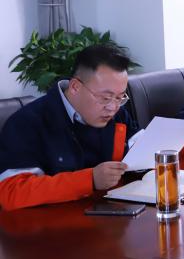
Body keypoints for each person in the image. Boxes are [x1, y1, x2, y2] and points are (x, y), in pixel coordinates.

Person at [0, 45, 136, 211]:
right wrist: (90, 179)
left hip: (109, 215)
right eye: (105, 98)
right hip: (52, 222)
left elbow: (142, 147)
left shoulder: (118, 115)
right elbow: (12, 192)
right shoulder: (27, 123)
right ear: (75, 87)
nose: (113, 107)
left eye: (120, 97)